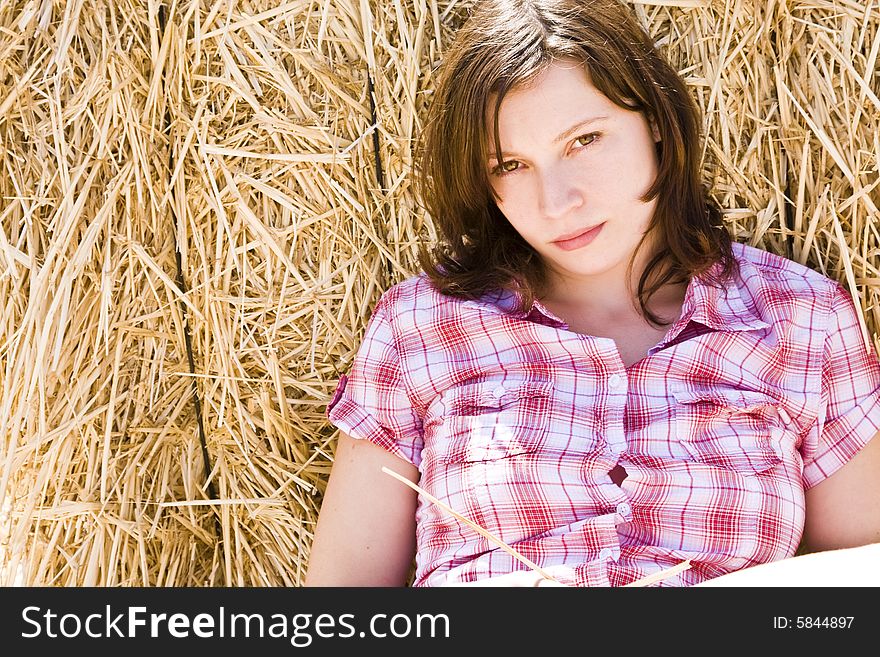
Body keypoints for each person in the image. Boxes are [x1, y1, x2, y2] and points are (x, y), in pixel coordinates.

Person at [304, 0, 880, 587]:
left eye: (584, 140)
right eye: (510, 165)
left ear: (654, 118)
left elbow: (856, 598)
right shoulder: (421, 329)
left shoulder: (801, 320)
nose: (556, 202)